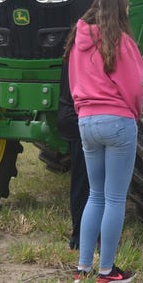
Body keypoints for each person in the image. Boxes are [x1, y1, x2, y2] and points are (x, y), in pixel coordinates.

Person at [65, 0, 143, 282]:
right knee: (114, 199)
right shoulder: (121, 42)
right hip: (118, 121)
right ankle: (108, 271)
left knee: (95, 196)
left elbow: (74, 82)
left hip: (86, 121)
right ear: (122, 11)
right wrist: (134, 114)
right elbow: (134, 88)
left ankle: (82, 268)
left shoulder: (77, 41)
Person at [56, 59, 90, 251]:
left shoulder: (72, 49)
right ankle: (83, 235)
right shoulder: (95, 48)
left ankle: (78, 235)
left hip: (68, 113)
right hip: (80, 115)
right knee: (90, 183)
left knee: (79, 179)